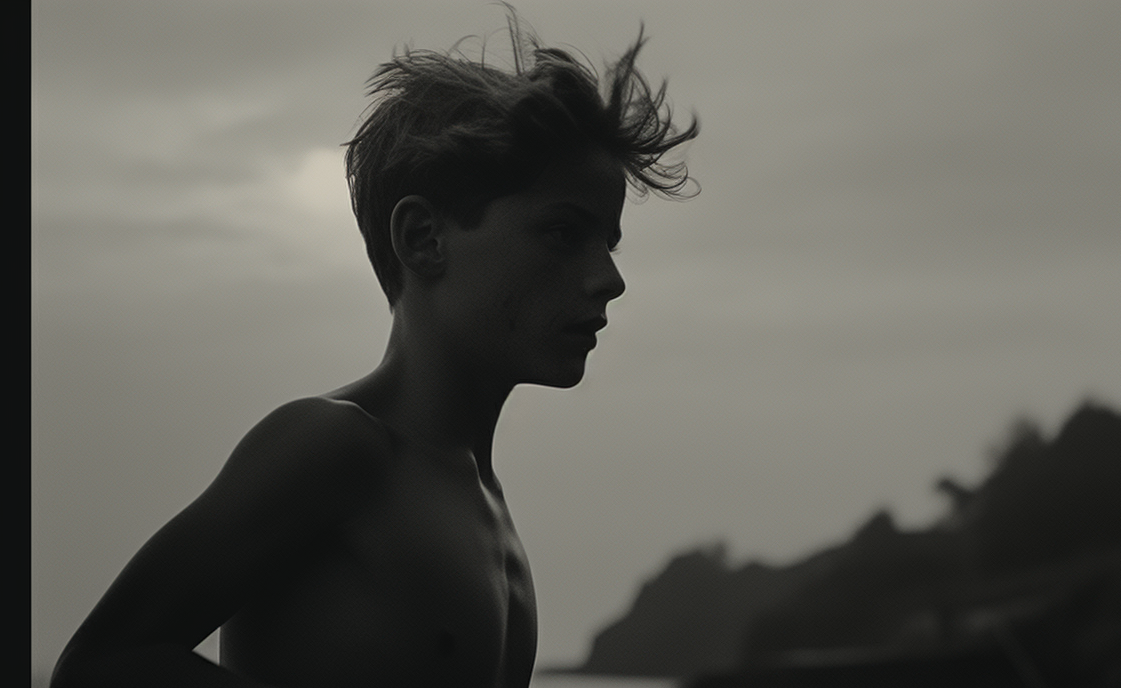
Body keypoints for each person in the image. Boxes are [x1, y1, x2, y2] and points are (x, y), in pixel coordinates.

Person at [51, 9, 697, 688]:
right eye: (565, 234)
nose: (609, 277)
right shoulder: (334, 447)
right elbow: (102, 666)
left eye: (609, 243)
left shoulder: (485, 506)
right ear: (423, 238)